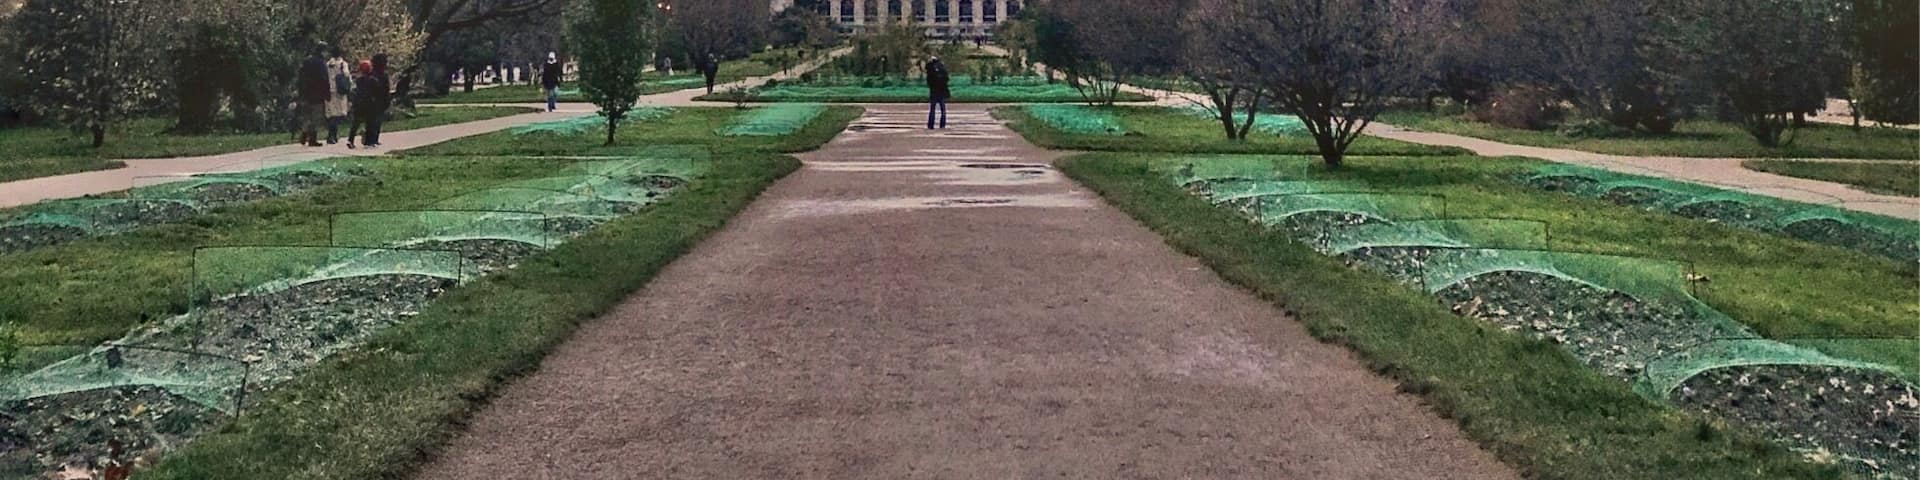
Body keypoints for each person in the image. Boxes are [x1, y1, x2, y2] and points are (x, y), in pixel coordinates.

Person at [349, 55, 392, 149]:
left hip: (367, 102)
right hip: (374, 101)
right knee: (373, 121)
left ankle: (368, 139)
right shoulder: (375, 77)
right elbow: (380, 89)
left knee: (367, 121)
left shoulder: (363, 78)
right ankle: (371, 139)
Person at [296, 47, 331, 147]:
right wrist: (327, 94)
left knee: (307, 116)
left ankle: (304, 132)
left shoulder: (307, 62)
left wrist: (300, 92)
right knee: (315, 117)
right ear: (322, 52)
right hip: (317, 94)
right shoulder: (321, 63)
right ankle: (312, 139)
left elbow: (300, 77)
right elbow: (324, 79)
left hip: (306, 93)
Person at [324, 48, 353, 145]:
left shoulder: (327, 64)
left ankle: (332, 135)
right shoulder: (343, 64)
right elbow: (346, 75)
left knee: (331, 113)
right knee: (339, 114)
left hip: (329, 91)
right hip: (340, 91)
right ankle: (332, 135)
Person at [925, 56, 950, 130]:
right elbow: (946, 78)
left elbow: (929, 80)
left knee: (932, 109)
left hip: (934, 91)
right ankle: (942, 125)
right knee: (943, 110)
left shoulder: (930, 69)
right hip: (941, 91)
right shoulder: (942, 68)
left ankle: (931, 125)